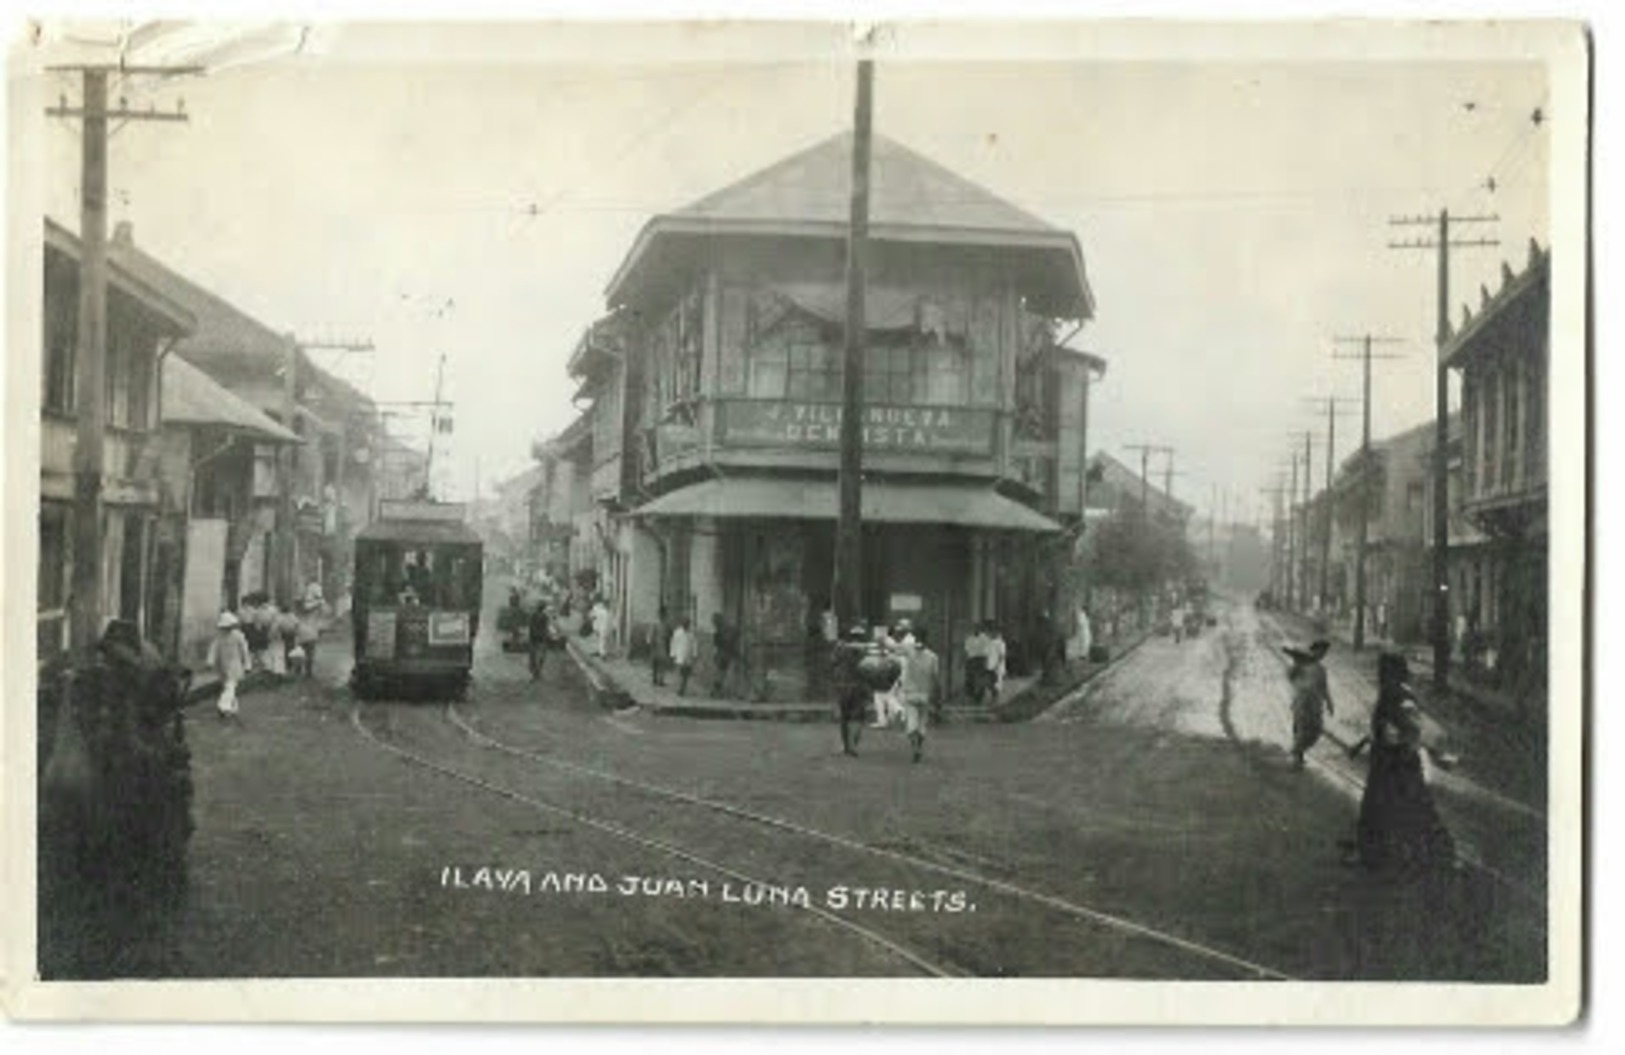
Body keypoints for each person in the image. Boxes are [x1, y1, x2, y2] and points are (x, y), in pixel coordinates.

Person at [1345, 652, 1457, 876]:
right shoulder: (1401, 692)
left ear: (1391, 671)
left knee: (1385, 808)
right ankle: (1438, 854)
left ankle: (1429, 856)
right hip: (1396, 759)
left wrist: (1433, 752)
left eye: (1383, 669)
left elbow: (1411, 727)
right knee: (1411, 807)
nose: (1379, 674)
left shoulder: (1395, 693)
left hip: (1395, 761)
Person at [1284, 639, 1335, 770]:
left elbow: (1324, 687)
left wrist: (1329, 703)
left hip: (1315, 704)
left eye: (1324, 653)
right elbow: (1290, 677)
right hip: (1301, 702)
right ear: (1314, 651)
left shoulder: (1321, 669)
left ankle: (1296, 752)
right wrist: (1297, 664)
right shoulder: (1301, 665)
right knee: (1301, 729)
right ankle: (1296, 758)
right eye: (1320, 652)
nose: (1322, 655)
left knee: (1315, 730)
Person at [896, 629, 941, 763]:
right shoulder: (933, 657)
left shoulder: (910, 651)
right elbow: (935, 678)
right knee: (922, 725)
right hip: (925, 694)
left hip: (910, 693)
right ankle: (919, 747)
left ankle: (915, 748)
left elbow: (894, 649)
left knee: (911, 724)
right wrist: (936, 696)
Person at [831, 624, 872, 757]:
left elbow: (833, 663)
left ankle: (846, 746)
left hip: (843, 686)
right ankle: (852, 745)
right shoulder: (866, 650)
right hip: (858, 687)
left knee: (844, 718)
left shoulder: (841, 648)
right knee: (858, 718)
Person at [206, 612, 251, 721]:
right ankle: (233, 708)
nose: (227, 629)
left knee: (230, 686)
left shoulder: (239, 636)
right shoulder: (219, 636)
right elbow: (213, 649)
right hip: (222, 664)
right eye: (225, 627)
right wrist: (210, 661)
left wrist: (247, 665)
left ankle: (223, 706)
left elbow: (244, 651)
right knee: (228, 686)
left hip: (235, 664)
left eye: (229, 626)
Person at [294, 598, 324, 679]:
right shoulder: (314, 615)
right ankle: (308, 672)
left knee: (300, 654)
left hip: (302, 636)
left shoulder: (298, 615)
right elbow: (319, 609)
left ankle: (298, 670)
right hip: (311, 636)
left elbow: (295, 625)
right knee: (310, 654)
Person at [711, 612, 739, 698]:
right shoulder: (725, 631)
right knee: (722, 673)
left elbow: (716, 646)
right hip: (726, 654)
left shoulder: (718, 632)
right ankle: (718, 691)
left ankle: (717, 691)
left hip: (722, 654)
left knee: (720, 673)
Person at [963, 622, 990, 704]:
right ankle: (970, 695)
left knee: (980, 679)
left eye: (977, 628)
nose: (975, 629)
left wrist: (985, 661)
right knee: (969, 677)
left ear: (980, 629)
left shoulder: (984, 637)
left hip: (980, 659)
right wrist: (965, 660)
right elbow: (966, 650)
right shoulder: (969, 638)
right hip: (971, 660)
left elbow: (987, 650)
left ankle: (979, 696)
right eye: (974, 628)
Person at [670, 616, 697, 696]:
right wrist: (673, 654)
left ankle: (683, 688)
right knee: (679, 673)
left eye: (687, 623)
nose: (686, 625)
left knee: (686, 674)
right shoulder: (677, 632)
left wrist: (694, 654)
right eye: (685, 623)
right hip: (679, 656)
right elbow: (673, 643)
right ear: (682, 624)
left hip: (688, 656)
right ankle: (679, 688)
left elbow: (694, 645)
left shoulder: (691, 634)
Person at [527, 601, 553, 680]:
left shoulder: (533, 615)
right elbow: (546, 628)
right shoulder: (545, 617)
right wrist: (548, 635)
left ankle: (534, 672)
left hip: (534, 638)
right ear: (543, 608)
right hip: (541, 638)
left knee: (533, 656)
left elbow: (530, 627)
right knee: (541, 656)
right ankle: (538, 671)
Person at [984, 622, 1008, 701]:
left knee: (996, 683)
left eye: (995, 632)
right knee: (989, 683)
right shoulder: (990, 642)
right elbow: (986, 653)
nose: (993, 633)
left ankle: (995, 698)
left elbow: (1002, 655)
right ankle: (993, 696)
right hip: (990, 665)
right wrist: (986, 662)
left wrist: (997, 665)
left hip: (997, 666)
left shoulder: (1000, 643)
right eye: (992, 631)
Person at [652, 606, 673, 687]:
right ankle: (655, 679)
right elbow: (652, 634)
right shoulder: (656, 624)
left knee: (661, 663)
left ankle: (660, 680)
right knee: (656, 663)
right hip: (658, 644)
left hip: (663, 645)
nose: (662, 616)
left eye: (663, 614)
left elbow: (670, 634)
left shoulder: (666, 624)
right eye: (661, 614)